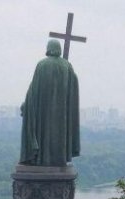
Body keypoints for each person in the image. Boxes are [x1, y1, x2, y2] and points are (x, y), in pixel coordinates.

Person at [19, 38, 80, 167]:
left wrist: (27, 104)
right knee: (59, 133)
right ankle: (59, 158)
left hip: (43, 112)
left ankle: (41, 158)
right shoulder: (67, 66)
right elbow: (74, 85)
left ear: (48, 48)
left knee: (43, 132)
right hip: (62, 113)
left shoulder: (42, 65)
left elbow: (34, 89)